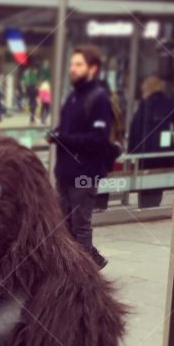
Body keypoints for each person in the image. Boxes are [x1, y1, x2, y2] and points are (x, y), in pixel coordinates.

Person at [49, 44, 112, 270]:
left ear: (92, 69)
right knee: (64, 225)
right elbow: (68, 129)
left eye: (78, 65)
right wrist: (56, 134)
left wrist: (63, 139)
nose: (73, 69)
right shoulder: (74, 97)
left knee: (80, 226)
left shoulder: (98, 98)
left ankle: (84, 278)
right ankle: (88, 262)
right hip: (65, 173)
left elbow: (98, 139)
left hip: (84, 174)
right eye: (72, 64)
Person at [128, 76, 174, 208]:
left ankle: (146, 204)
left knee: (145, 179)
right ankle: (153, 203)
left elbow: (135, 128)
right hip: (163, 150)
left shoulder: (144, 105)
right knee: (157, 179)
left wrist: (132, 150)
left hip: (145, 149)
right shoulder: (168, 103)